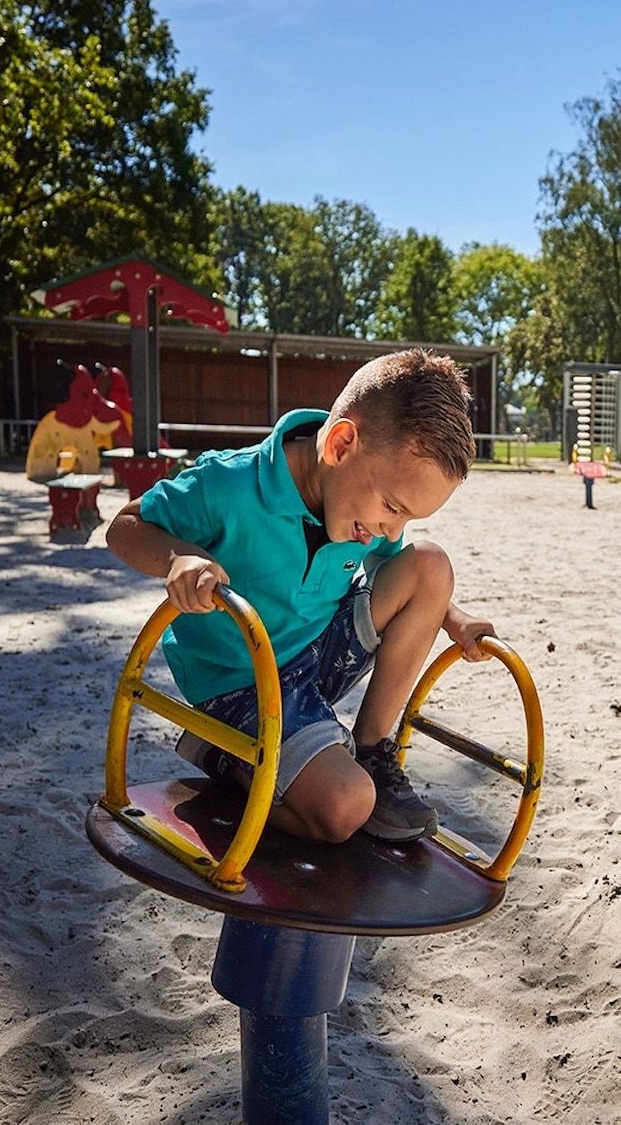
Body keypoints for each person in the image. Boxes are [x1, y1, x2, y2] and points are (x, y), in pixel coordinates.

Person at [104, 348, 492, 844]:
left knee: (430, 564)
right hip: (240, 685)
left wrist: (452, 618)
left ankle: (371, 747)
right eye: (392, 507)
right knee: (345, 807)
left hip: (315, 661)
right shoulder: (230, 485)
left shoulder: (361, 511)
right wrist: (179, 556)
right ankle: (231, 759)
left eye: (405, 518)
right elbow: (125, 526)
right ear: (341, 443)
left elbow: (397, 568)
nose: (388, 528)